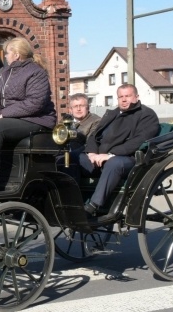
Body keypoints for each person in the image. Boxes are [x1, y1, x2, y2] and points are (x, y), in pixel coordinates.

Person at [0, 37, 57, 184]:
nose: (6, 56)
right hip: (11, 117)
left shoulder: (36, 72)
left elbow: (35, 103)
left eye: (7, 53)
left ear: (16, 55)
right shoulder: (4, 72)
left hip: (36, 119)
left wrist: (4, 114)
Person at [79, 83, 160, 216]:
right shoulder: (112, 113)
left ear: (136, 97)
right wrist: (91, 152)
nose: (123, 99)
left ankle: (94, 205)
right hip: (99, 157)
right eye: (120, 96)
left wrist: (110, 155)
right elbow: (95, 135)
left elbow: (139, 141)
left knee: (114, 163)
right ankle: (71, 201)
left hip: (129, 159)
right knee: (74, 158)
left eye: (127, 96)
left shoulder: (146, 115)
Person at [60, 93, 101, 180]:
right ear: (70, 109)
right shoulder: (65, 121)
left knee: (70, 160)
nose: (78, 109)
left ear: (88, 107)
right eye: (75, 106)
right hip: (64, 153)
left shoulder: (96, 121)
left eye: (81, 106)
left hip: (86, 157)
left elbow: (91, 143)